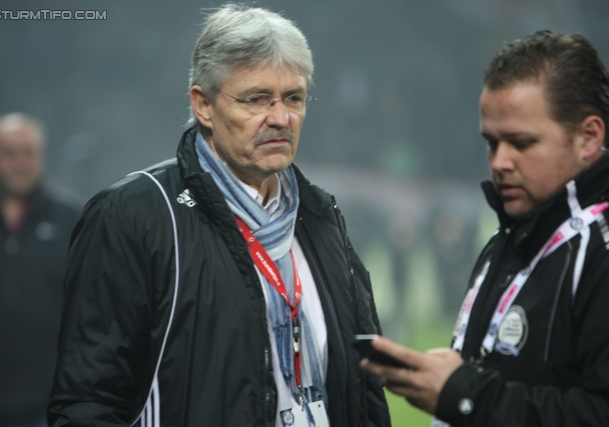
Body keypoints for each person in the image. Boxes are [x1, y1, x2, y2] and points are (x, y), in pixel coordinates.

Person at [48, 5, 391, 427]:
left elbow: (365, 388)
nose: (281, 118)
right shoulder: (134, 215)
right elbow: (88, 402)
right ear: (203, 105)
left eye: (293, 98)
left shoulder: (320, 215)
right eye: (256, 99)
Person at [360, 30, 609, 426]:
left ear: (588, 137)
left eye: (521, 142)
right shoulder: (509, 237)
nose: (500, 162)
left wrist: (463, 395)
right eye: (492, 143)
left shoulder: (598, 248)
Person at [0, 113, 80, 427]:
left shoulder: (71, 220)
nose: (21, 162)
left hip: (47, 405)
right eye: (9, 152)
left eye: (28, 152)